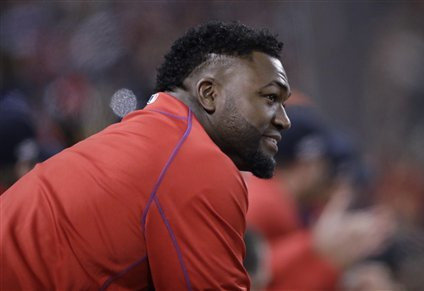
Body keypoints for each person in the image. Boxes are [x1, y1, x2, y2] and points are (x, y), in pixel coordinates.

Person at [0, 22, 291, 290]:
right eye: (269, 98)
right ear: (209, 93)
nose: (283, 119)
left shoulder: (160, 134)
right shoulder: (196, 161)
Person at [246, 100, 394, 290]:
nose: (327, 173)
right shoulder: (266, 203)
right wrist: (319, 250)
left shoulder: (276, 201)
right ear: (307, 164)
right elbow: (254, 277)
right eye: (324, 163)